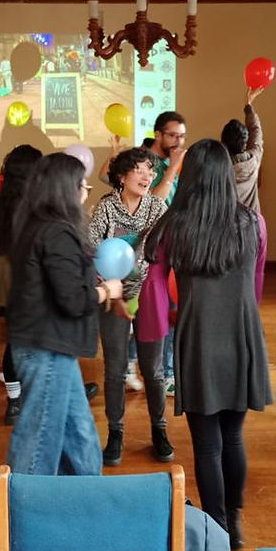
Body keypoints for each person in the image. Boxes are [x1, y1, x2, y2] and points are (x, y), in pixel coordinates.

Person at [140, 139, 271, 550]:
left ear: (190, 176)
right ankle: (235, 522)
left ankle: (217, 531)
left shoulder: (173, 227)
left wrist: (158, 329)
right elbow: (256, 287)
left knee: (207, 445)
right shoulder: (253, 222)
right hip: (243, 335)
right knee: (233, 437)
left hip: (198, 338)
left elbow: (154, 286)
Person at [5, 153, 123, 477]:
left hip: (50, 346)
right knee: (38, 438)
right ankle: (21, 505)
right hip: (46, 348)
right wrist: (106, 291)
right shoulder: (57, 231)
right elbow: (72, 299)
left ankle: (85, 496)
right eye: (83, 185)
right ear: (66, 189)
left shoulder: (35, 225)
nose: (86, 191)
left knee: (80, 433)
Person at [89, 147, 172, 466]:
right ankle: (116, 433)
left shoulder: (157, 207)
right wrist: (112, 291)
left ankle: (159, 429)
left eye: (151, 171)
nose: (148, 176)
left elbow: (164, 252)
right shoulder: (106, 207)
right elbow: (93, 249)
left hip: (148, 294)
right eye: (140, 170)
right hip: (112, 293)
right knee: (115, 369)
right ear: (122, 176)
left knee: (153, 370)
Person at [0, 144, 43, 425]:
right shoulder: (34, 205)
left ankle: (14, 401)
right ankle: (42, 396)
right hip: (29, 283)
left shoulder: (2, 203)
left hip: (8, 284)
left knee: (15, 341)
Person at [220, 85, 265, 213]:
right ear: (245, 144)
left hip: (227, 223)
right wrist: (248, 106)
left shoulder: (219, 167)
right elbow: (256, 131)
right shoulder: (254, 158)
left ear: (223, 142)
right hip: (253, 221)